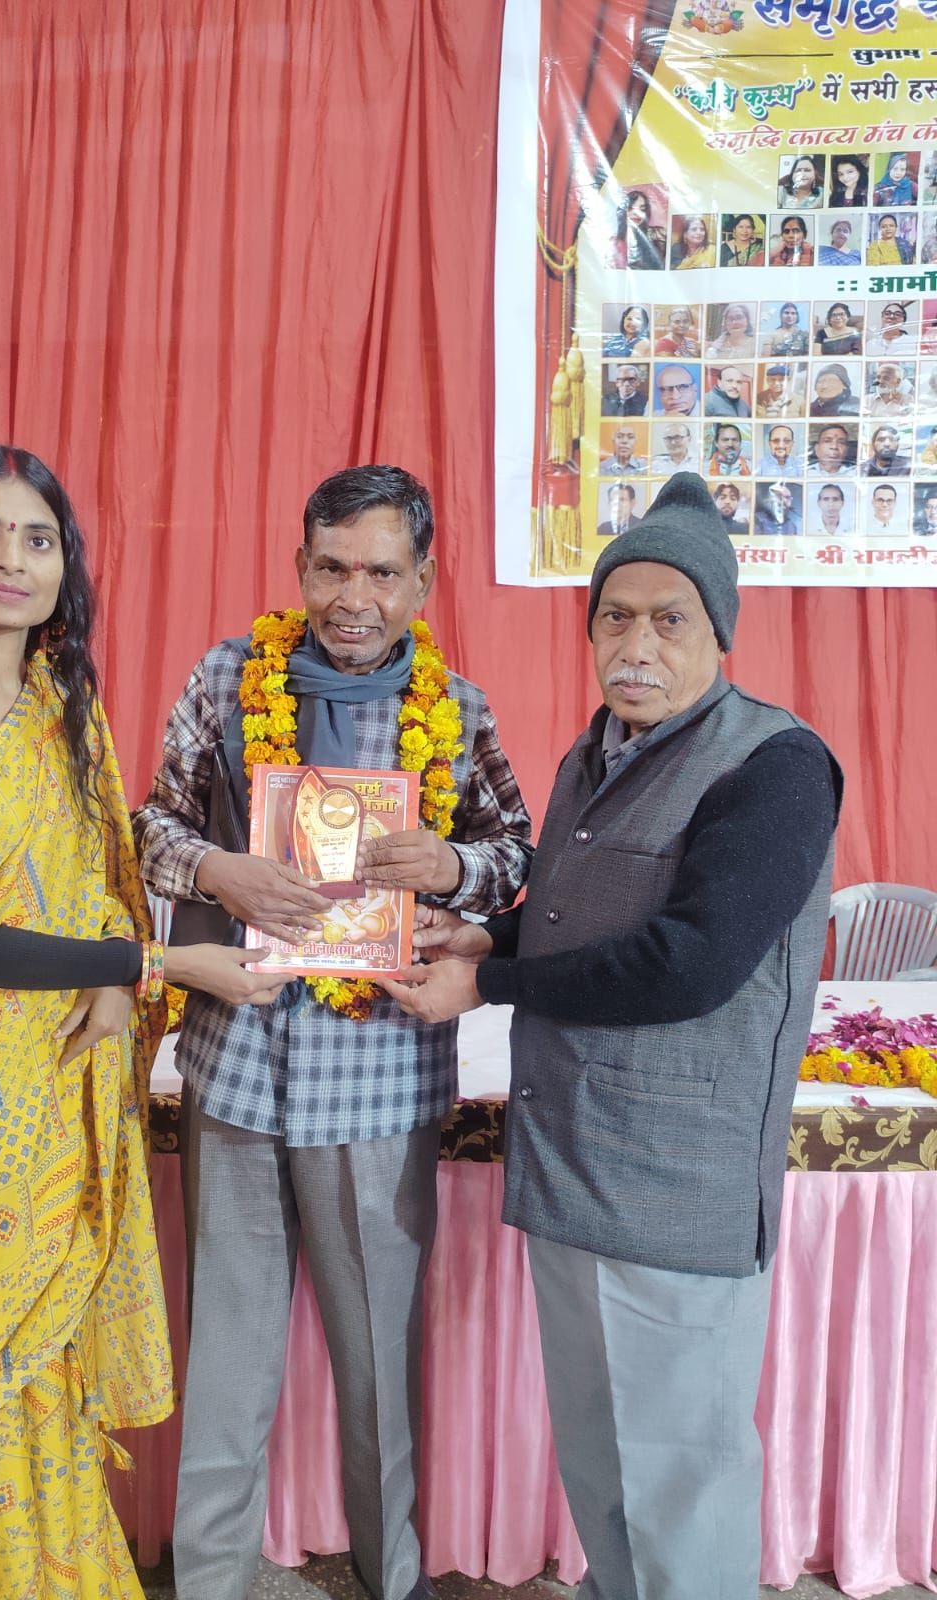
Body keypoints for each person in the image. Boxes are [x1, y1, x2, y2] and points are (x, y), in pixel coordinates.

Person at [0, 445, 285, 1600]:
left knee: (35, 1363)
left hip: (47, 1079)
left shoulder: (62, 699)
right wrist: (156, 961)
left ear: (65, 565)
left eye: (37, 538)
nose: (9, 558)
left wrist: (120, 974)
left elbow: (95, 879)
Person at [381, 471, 840, 1600]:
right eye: (615, 617)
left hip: (675, 1189)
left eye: (669, 620)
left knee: (682, 1484)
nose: (636, 645)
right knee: (602, 1469)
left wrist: (490, 984)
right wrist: (483, 933)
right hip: (573, 1166)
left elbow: (691, 961)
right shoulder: (594, 753)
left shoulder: (774, 765)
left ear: (719, 632)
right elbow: (569, 915)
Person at [132, 464, 532, 1600]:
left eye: (382, 572)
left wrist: (450, 866)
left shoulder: (459, 710)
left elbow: (518, 852)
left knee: (379, 1363)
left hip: (379, 1080)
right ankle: (208, 1581)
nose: (355, 597)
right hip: (238, 1065)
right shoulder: (227, 677)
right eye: (332, 567)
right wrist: (217, 869)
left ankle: (392, 1577)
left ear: (424, 581)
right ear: (300, 566)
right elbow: (149, 825)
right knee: (227, 1354)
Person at [610, 188, 664, 270]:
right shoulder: (614, 241)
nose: (636, 213)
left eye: (642, 209)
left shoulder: (656, 234)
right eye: (630, 208)